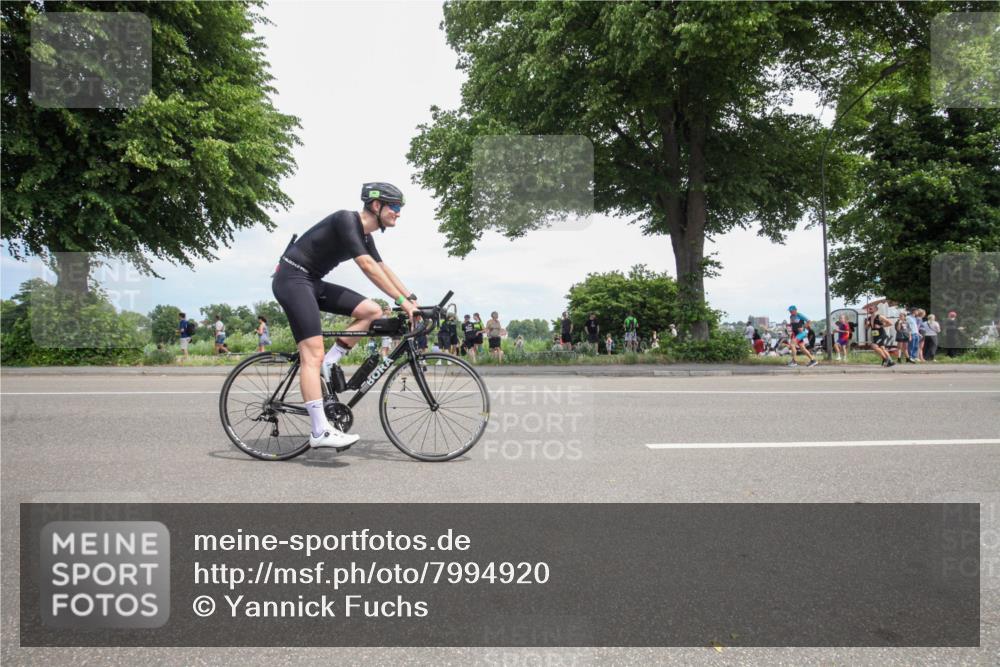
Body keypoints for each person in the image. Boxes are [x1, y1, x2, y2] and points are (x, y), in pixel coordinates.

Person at [271, 182, 419, 449]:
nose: (398, 213)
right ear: (377, 205)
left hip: (312, 281)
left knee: (372, 311)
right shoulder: (345, 220)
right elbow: (366, 265)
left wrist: (411, 299)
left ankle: (330, 362)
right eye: (395, 206)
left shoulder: (366, 237)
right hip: (292, 279)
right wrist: (400, 301)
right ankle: (319, 431)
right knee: (312, 354)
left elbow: (382, 267)